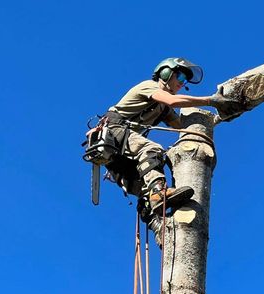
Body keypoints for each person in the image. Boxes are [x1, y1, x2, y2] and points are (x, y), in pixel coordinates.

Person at [103, 57, 242, 246]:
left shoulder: (163, 109)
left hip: (119, 151)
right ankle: (159, 193)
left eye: (185, 81)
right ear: (166, 72)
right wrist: (211, 101)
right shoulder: (149, 87)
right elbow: (173, 101)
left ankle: (161, 229)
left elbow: (182, 126)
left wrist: (220, 118)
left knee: (143, 190)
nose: (181, 84)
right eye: (181, 77)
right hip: (114, 131)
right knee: (152, 149)